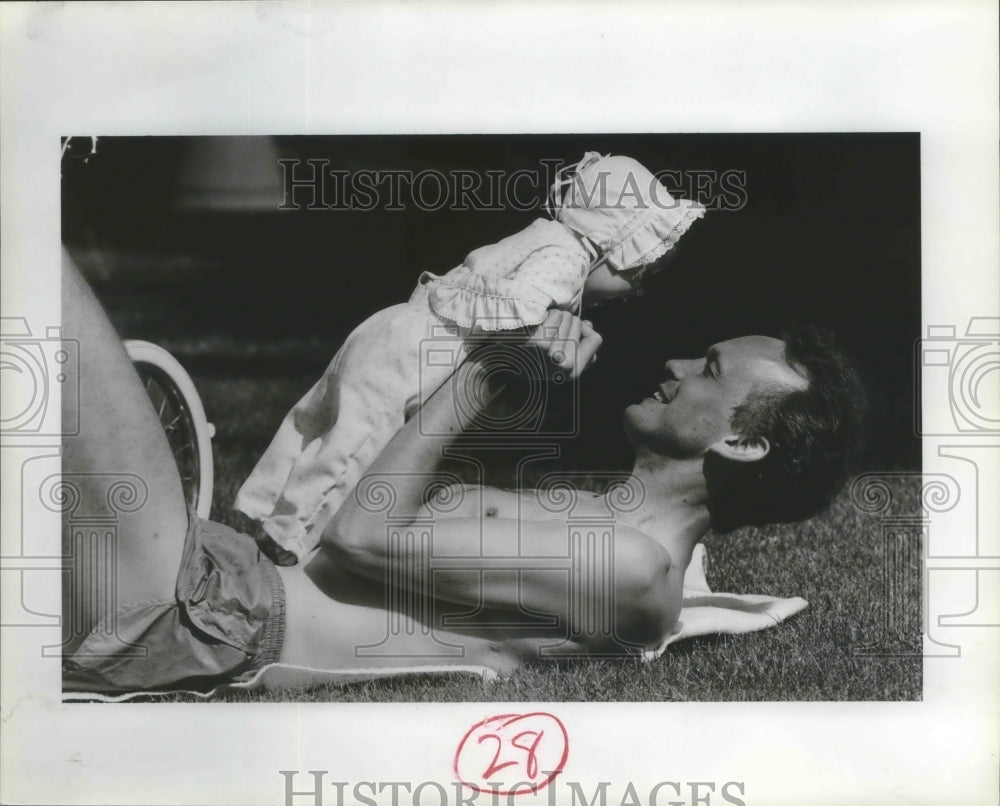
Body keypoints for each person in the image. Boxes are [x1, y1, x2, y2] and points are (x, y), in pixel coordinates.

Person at [59, 249, 864, 694]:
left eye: (711, 371)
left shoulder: (630, 567)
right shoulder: (611, 533)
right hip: (210, 579)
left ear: (745, 444)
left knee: (36, 265)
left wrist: (486, 375)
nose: (679, 362)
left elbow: (361, 539)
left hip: (200, 613)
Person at [234, 152, 706, 564]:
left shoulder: (544, 234)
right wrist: (546, 338)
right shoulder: (568, 262)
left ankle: (259, 505)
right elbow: (522, 309)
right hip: (413, 354)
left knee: (316, 421)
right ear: (610, 248)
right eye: (640, 271)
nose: (638, 290)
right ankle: (293, 542)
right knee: (358, 445)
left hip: (393, 324)